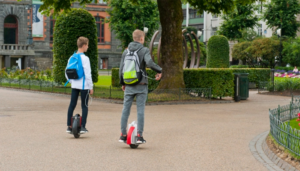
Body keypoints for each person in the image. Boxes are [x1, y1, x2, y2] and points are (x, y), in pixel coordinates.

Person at [119, 29, 162, 144]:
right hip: (141, 85)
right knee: (140, 110)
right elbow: (149, 62)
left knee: (125, 109)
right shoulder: (144, 50)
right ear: (142, 39)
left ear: (134, 38)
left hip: (128, 84)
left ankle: (123, 134)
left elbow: (121, 68)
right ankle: (139, 136)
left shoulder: (126, 52)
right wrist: (159, 70)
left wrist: (123, 83)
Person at [65, 36, 93, 134]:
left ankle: (69, 126)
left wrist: (71, 81)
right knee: (84, 106)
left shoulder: (71, 57)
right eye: (87, 46)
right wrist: (91, 87)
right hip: (84, 86)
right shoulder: (85, 58)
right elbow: (88, 74)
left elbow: (66, 72)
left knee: (72, 105)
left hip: (74, 85)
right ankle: (83, 127)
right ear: (84, 45)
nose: (88, 47)